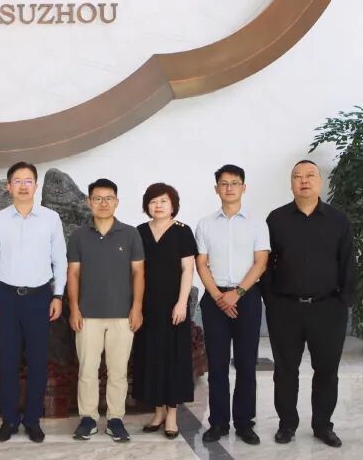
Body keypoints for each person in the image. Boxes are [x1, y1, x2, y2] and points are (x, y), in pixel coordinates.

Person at [264, 160, 356, 448]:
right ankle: (287, 425)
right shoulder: (276, 219)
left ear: (320, 181)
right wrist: (271, 300)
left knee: (327, 371)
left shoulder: (338, 220)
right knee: (285, 371)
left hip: (328, 308)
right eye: (297, 176)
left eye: (310, 175)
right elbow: (266, 263)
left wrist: (344, 301)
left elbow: (348, 261)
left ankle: (322, 426)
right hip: (285, 309)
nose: (304, 180)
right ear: (291, 183)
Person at [0, 161, 68, 444]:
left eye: (28, 180)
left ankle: (32, 420)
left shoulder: (51, 219)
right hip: (6, 297)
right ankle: (9, 420)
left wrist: (58, 295)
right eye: (17, 181)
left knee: (38, 361)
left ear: (36, 185)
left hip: (39, 297)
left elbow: (60, 260)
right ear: (8, 186)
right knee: (7, 361)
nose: (23, 186)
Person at [195, 164, 270, 445]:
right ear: (216, 189)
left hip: (246, 297)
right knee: (216, 364)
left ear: (243, 187)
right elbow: (201, 263)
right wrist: (218, 296)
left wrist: (236, 293)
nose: (229, 187)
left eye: (234, 183)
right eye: (224, 183)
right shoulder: (205, 224)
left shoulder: (257, 223)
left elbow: (260, 263)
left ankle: (244, 423)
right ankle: (218, 423)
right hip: (214, 298)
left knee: (246, 363)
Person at [67, 179, 144, 443]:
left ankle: (115, 419)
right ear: (89, 202)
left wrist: (137, 308)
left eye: (108, 198)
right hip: (87, 315)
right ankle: (88, 419)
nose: (103, 203)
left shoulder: (130, 234)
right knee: (87, 370)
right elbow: (73, 274)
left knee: (118, 371)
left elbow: (138, 273)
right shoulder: (78, 236)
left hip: (123, 315)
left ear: (117, 201)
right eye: (97, 198)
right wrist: (74, 308)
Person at [131, 182, 196, 439]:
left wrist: (181, 303)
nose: (158, 205)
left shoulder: (182, 231)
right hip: (147, 306)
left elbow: (188, 270)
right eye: (153, 201)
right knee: (151, 357)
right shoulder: (139, 232)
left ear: (173, 205)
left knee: (173, 358)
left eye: (163, 201)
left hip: (173, 306)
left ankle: (171, 414)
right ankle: (157, 411)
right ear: (147, 205)